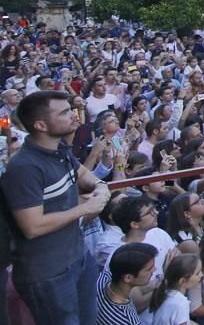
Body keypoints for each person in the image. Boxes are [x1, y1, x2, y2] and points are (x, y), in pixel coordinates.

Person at [0, 89, 111, 325]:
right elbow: (32, 226)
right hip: (48, 274)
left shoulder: (59, 150)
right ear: (41, 124)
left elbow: (82, 174)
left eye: (71, 109)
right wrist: (85, 208)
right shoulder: (24, 167)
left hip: (79, 258)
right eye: (64, 113)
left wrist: (100, 185)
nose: (73, 116)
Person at [97, 242, 158, 325]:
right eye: (148, 269)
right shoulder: (129, 320)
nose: (154, 270)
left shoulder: (100, 279)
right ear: (128, 278)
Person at [149, 253, 202, 325]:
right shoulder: (181, 303)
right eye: (197, 273)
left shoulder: (164, 293)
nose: (201, 275)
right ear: (183, 281)